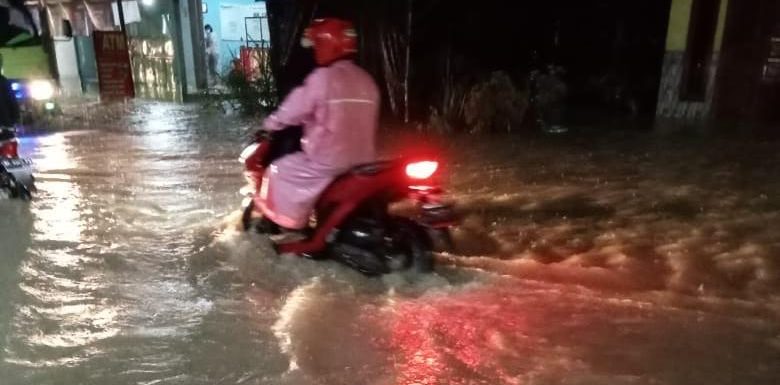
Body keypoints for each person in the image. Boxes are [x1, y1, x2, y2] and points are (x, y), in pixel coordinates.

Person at [252, 18, 380, 239]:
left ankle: (290, 228)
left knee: (278, 171)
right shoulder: (366, 79)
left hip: (327, 163)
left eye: (316, 46)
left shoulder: (323, 79)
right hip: (364, 164)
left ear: (325, 45)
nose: (314, 52)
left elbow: (290, 112)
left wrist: (267, 129)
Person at [0, 53, 21, 130]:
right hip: (5, 125)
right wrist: (15, 118)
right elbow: (12, 101)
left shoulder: (3, 81)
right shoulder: (3, 81)